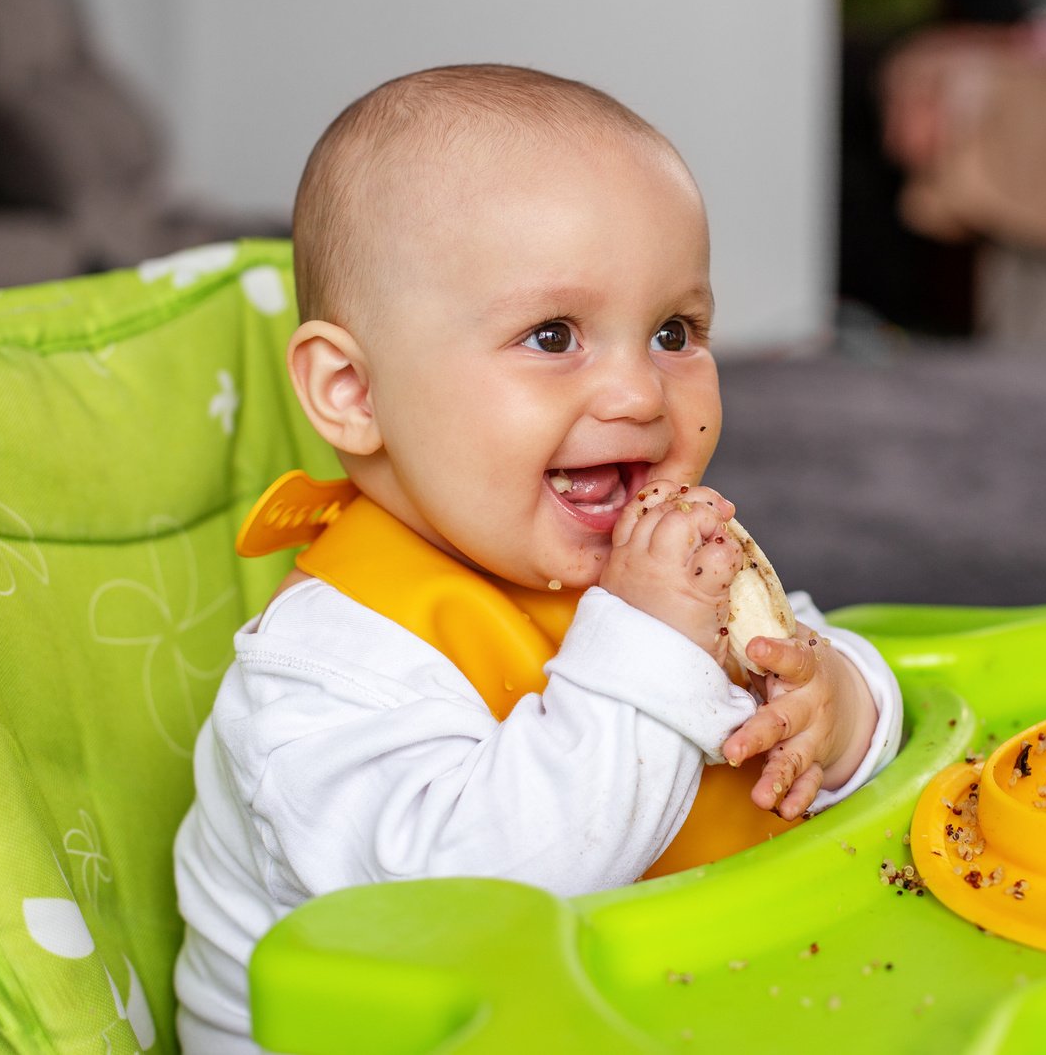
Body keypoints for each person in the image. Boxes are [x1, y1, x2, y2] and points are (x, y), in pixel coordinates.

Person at [172, 64, 903, 1052]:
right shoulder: (325, 671)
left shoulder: (657, 561)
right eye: (553, 334)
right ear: (351, 391)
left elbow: (816, 658)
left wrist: (839, 707)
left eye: (672, 331)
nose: (641, 393)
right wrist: (648, 644)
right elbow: (481, 901)